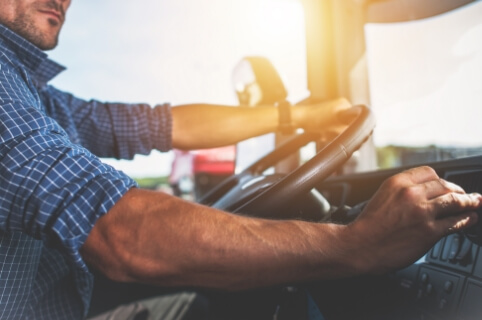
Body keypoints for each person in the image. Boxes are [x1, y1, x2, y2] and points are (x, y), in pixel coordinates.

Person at [1, 0, 481, 319]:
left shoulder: (33, 91)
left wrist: (294, 115)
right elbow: (118, 231)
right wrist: (357, 245)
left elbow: (148, 124)